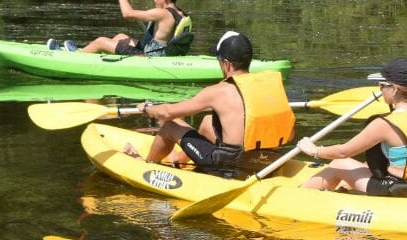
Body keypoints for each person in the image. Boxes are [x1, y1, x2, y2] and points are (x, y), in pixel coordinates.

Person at [126, 31, 296, 169]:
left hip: (231, 164)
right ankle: (179, 160)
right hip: (269, 160)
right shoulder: (266, 86)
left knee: (171, 125)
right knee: (208, 122)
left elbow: (168, 113)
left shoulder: (219, 91)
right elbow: (291, 132)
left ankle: (147, 166)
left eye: (219, 61)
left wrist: (148, 108)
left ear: (227, 64)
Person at [297, 57, 407, 195]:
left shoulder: (384, 124)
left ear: (394, 89)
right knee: (365, 164)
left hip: (394, 187)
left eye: (382, 85)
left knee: (339, 164)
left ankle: (297, 199)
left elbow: (343, 152)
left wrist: (314, 150)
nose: (379, 88)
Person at [76, 0, 190, 56]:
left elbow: (127, 14)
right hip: (157, 51)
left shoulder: (162, 13)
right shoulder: (181, 13)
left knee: (101, 41)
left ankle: (77, 56)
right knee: (121, 37)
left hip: (150, 56)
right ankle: (95, 54)